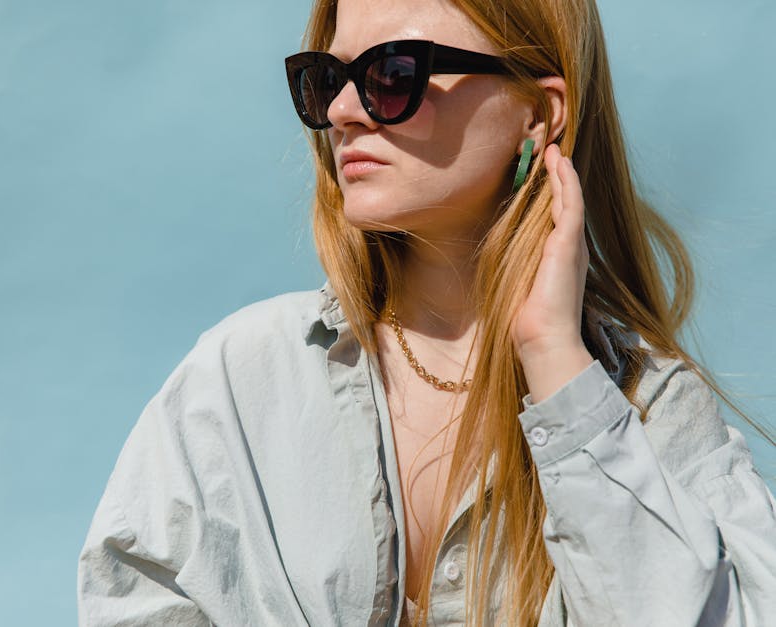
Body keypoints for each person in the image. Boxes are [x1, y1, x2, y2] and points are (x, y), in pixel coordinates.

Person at [77, 0, 776, 624]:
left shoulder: (650, 409)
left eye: (392, 74)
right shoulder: (237, 383)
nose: (345, 111)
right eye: (328, 79)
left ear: (539, 111)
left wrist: (558, 365)